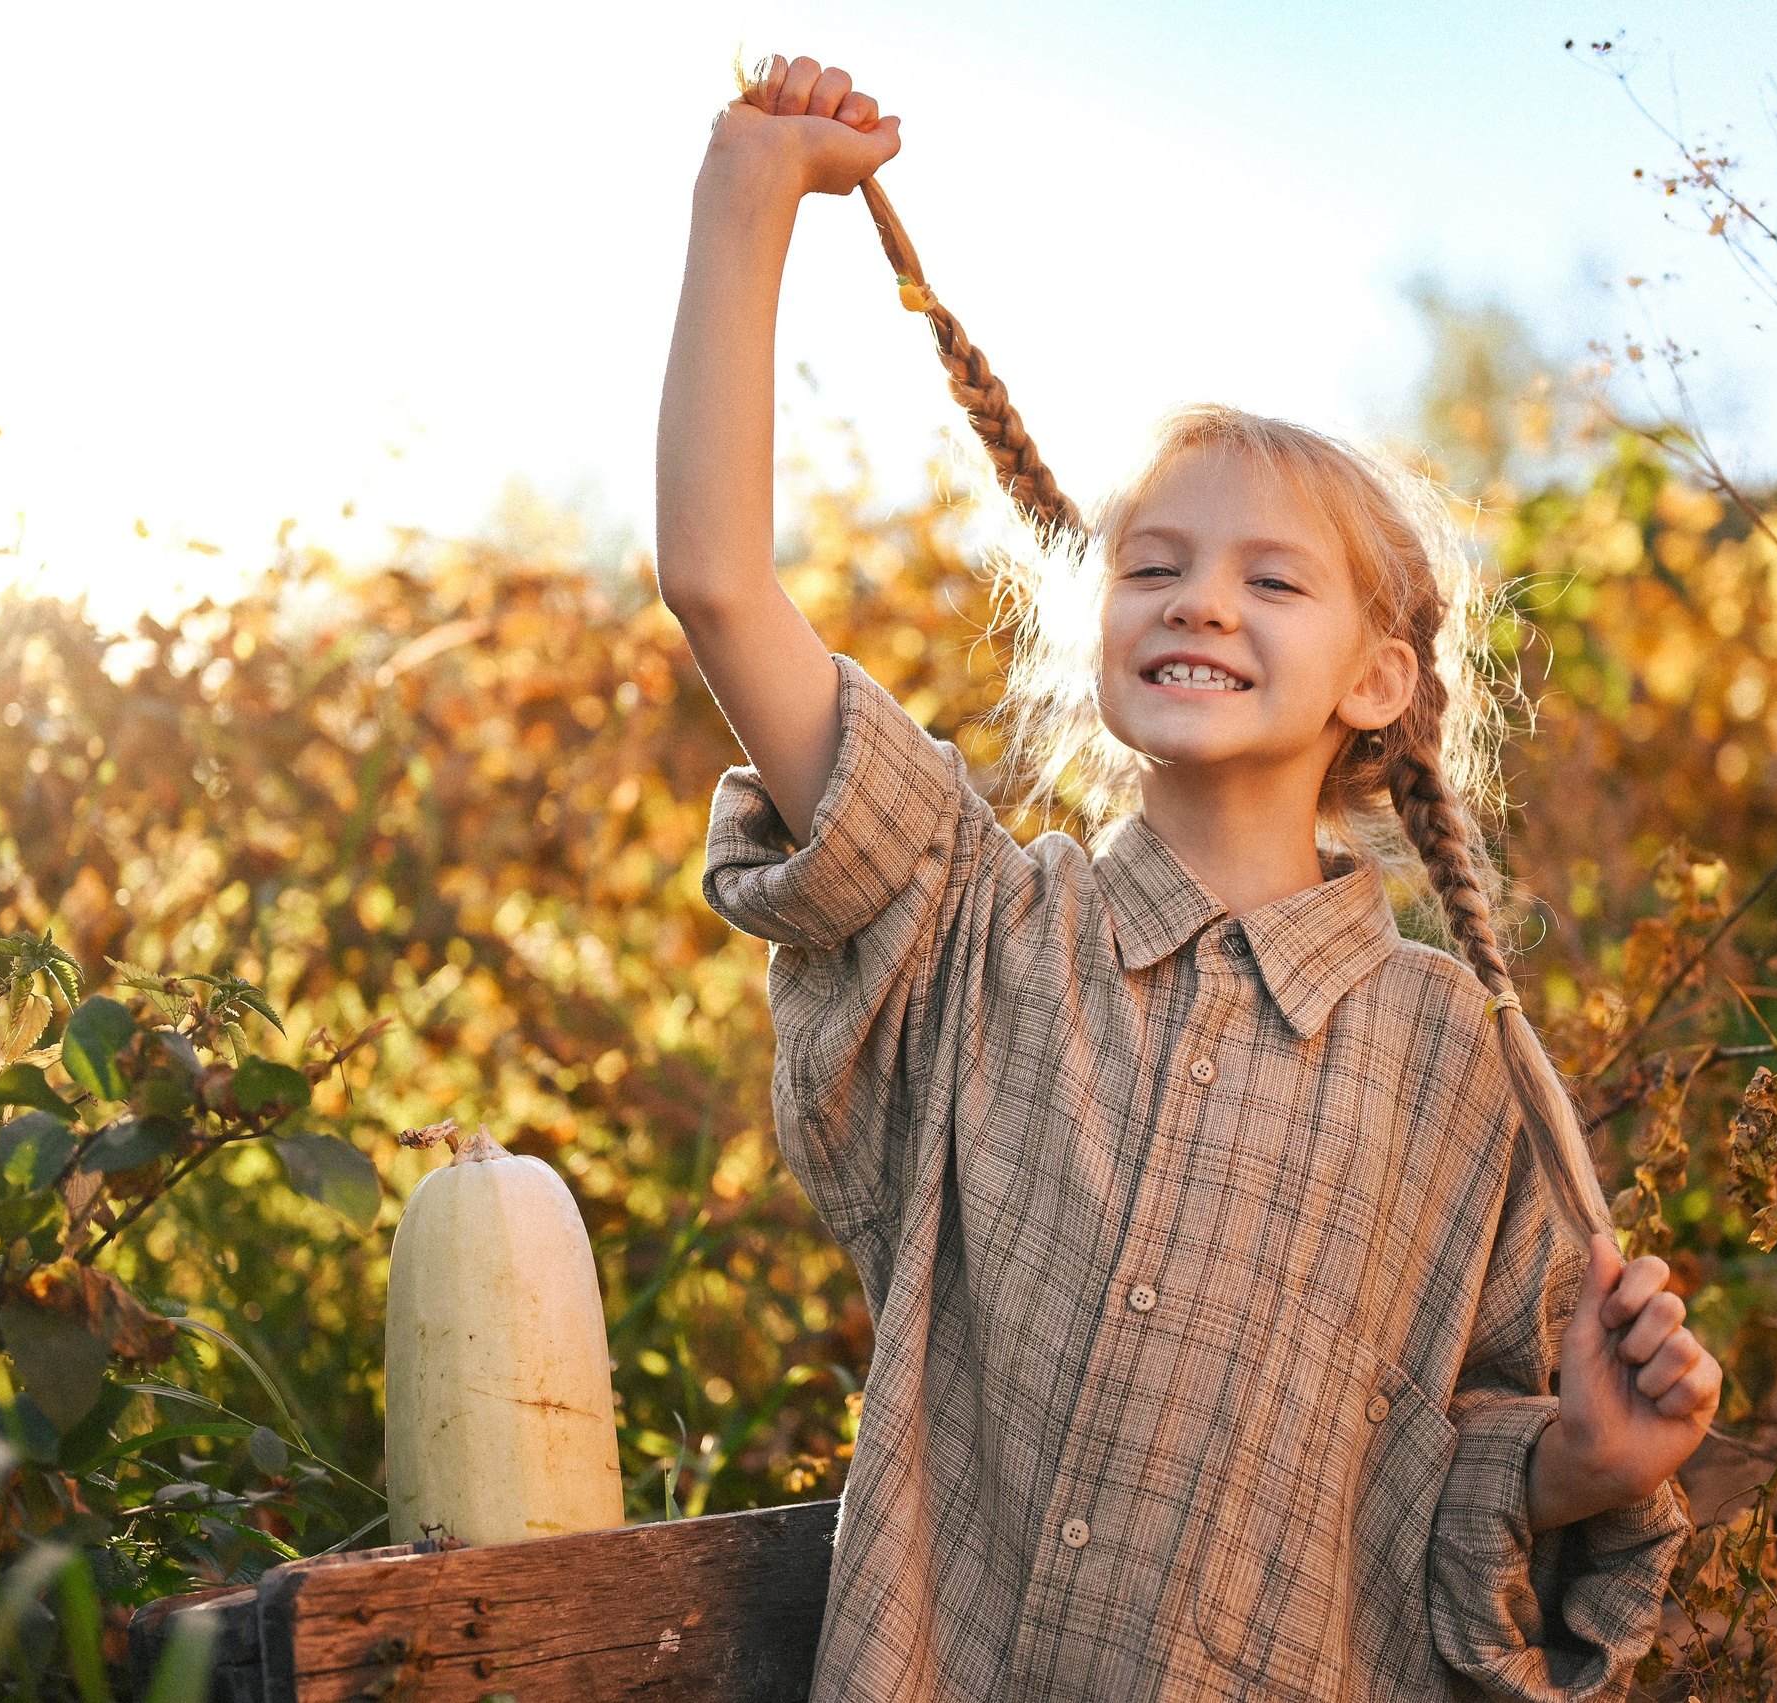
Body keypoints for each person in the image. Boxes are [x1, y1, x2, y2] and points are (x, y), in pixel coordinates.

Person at [655, 53, 1719, 1703]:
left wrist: (1586, 1464)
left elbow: (1445, 1506)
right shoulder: (970, 927)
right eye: (1153, 564)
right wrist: (747, 194)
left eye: (1268, 578)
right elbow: (718, 584)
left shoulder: (1455, 1065)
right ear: (1100, 637)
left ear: (1378, 677)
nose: (1198, 601)